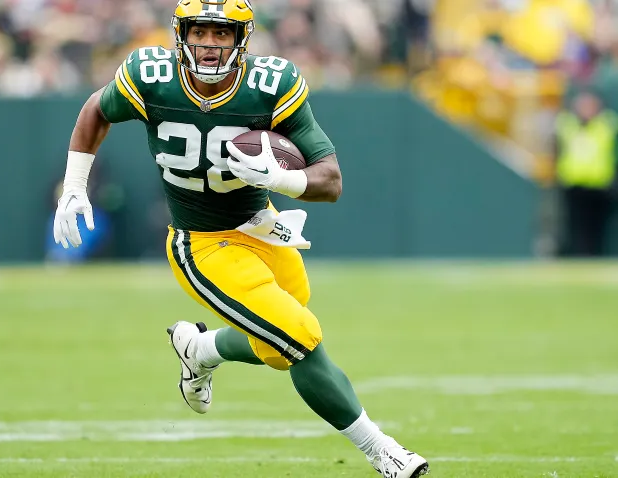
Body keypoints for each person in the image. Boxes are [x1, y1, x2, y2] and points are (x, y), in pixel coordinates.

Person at [52, 2, 429, 476]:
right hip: (203, 243)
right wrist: (74, 187)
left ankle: (200, 350)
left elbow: (331, 180)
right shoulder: (149, 75)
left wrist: (282, 179)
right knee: (301, 337)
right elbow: (96, 109)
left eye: (222, 34)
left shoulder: (270, 85)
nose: (209, 43)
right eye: (200, 31)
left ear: (242, 39)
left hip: (261, 226)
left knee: (277, 347)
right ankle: (383, 452)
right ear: (181, 34)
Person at [553, 89, 618, 257]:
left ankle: (596, 257)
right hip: (573, 183)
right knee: (576, 226)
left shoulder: (607, 124)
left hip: (601, 184)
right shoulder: (566, 124)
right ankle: (579, 257)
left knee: (598, 227)